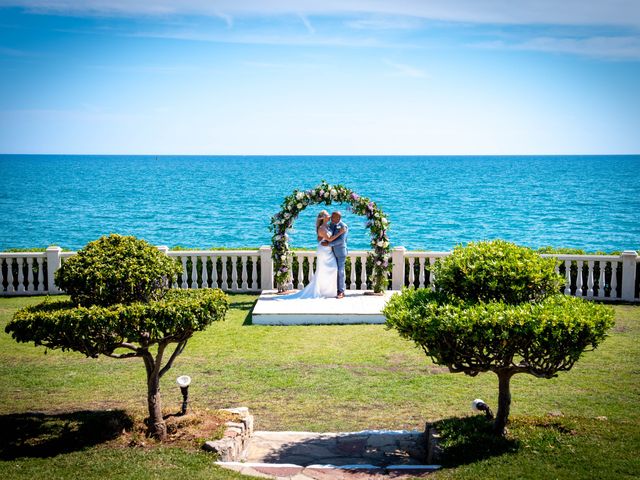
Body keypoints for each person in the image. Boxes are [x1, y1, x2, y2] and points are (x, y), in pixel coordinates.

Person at [279, 210, 346, 299]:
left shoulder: (328, 225)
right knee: (326, 269)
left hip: (329, 250)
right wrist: (341, 232)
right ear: (323, 218)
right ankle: (322, 290)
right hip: (324, 251)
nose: (329, 216)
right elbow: (329, 239)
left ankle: (329, 291)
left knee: (332, 269)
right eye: (327, 215)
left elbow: (323, 238)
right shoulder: (322, 228)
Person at [321, 211, 348, 298]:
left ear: (338, 218)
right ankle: (332, 289)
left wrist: (329, 244)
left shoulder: (344, 226)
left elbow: (341, 241)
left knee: (340, 272)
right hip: (331, 253)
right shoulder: (332, 224)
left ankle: (341, 291)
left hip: (340, 252)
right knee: (332, 271)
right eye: (331, 217)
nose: (331, 219)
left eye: (333, 217)